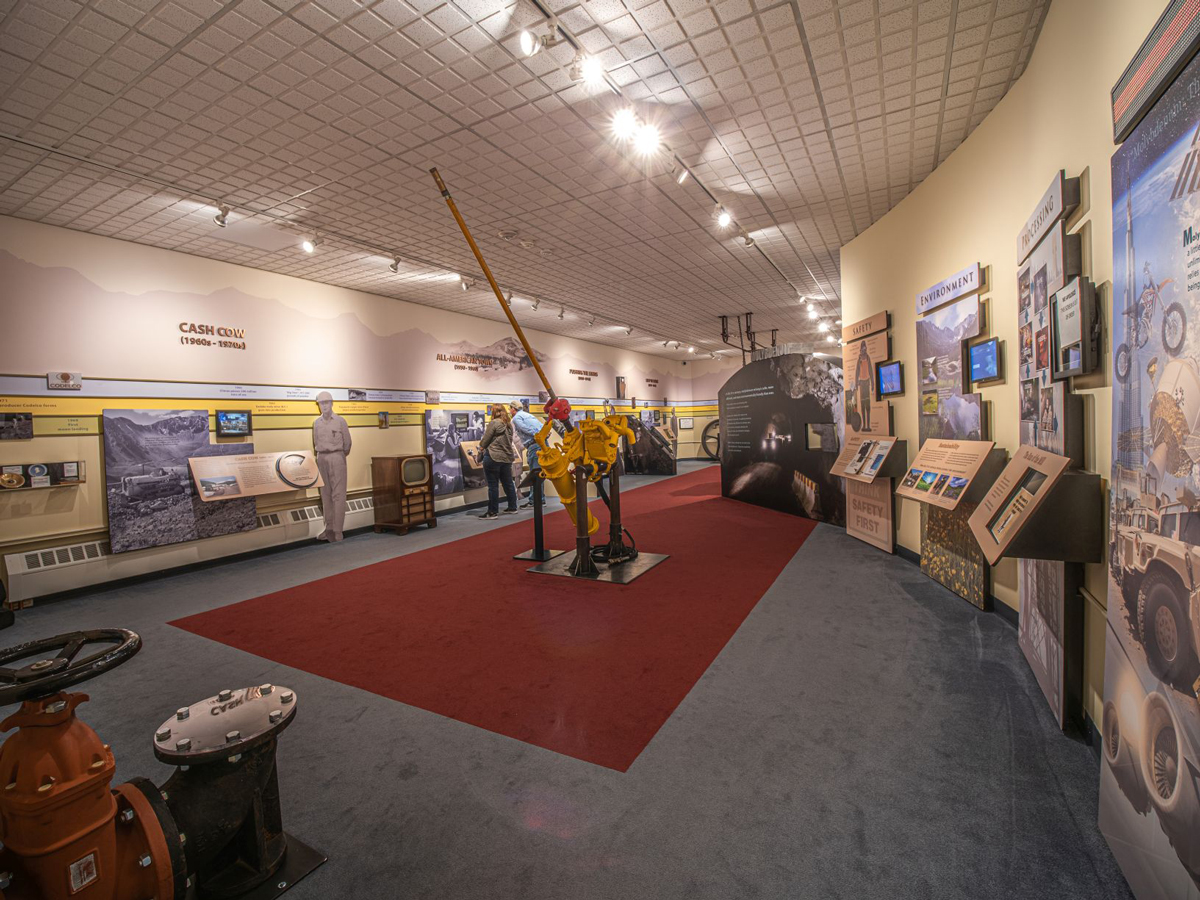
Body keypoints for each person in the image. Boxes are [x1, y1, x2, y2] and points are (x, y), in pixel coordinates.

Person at [312, 391, 352, 542]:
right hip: (322, 457)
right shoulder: (316, 423)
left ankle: (338, 531)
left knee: (338, 494)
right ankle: (328, 528)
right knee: (325, 494)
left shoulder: (340, 421)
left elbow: (347, 443)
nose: (324, 406)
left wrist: (339, 455)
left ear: (332, 403)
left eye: (327, 402)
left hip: (337, 456)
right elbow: (315, 441)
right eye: (321, 403)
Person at [477, 403, 517, 519]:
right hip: (507, 457)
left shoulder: (494, 423)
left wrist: (480, 449)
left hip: (493, 456)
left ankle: (492, 512)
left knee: (493, 485)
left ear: (494, 412)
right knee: (508, 483)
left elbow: (485, 440)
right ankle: (512, 507)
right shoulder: (508, 424)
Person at [510, 400, 542, 508]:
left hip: (533, 445)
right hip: (539, 444)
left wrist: (536, 435)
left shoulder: (516, 419)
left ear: (513, 409)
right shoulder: (529, 415)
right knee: (539, 473)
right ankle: (539, 499)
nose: (509, 411)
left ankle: (535, 500)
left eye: (510, 409)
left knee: (535, 474)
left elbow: (524, 430)